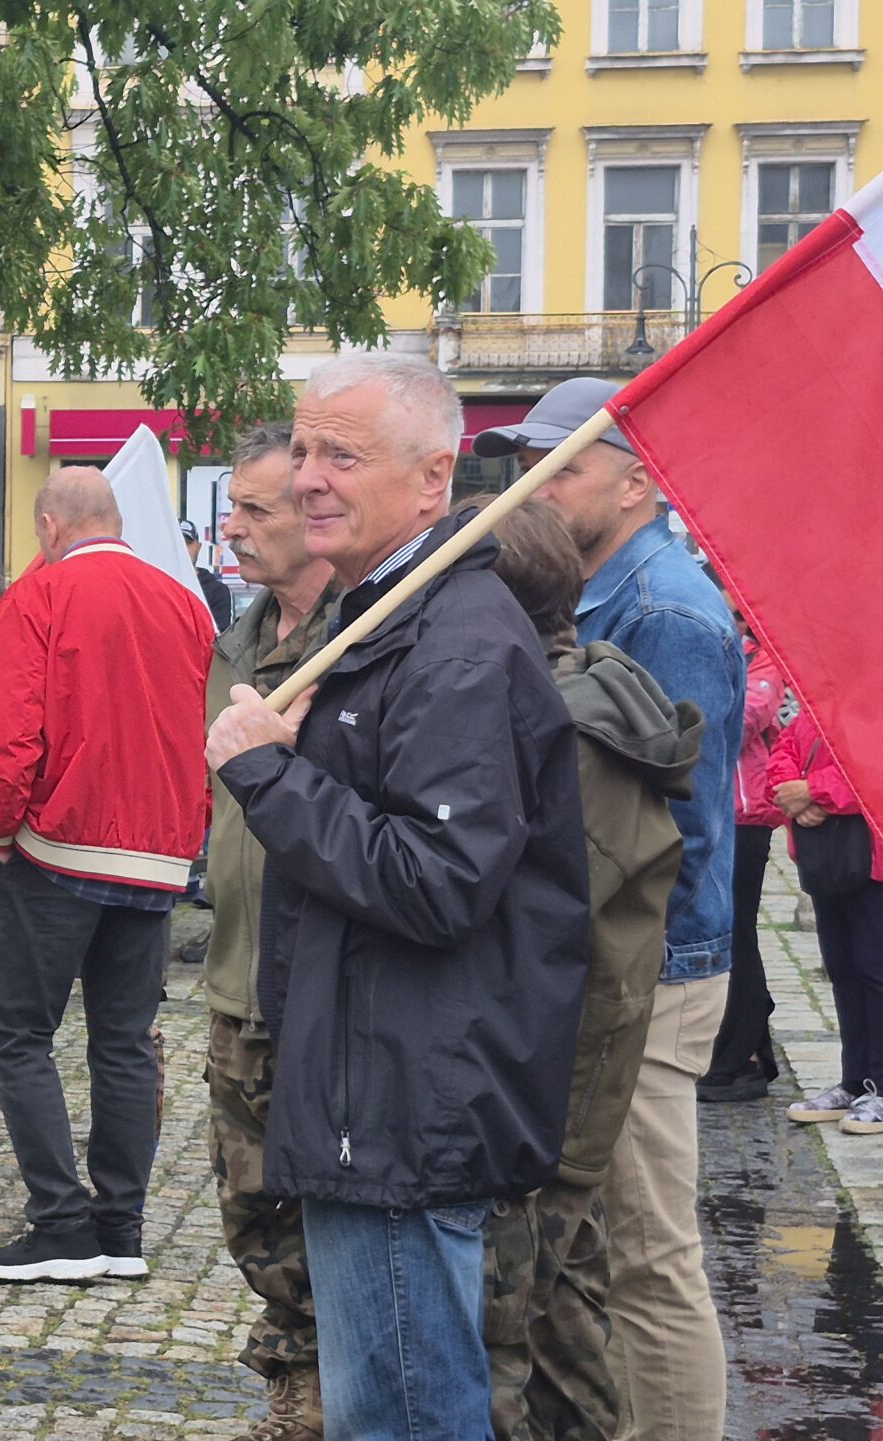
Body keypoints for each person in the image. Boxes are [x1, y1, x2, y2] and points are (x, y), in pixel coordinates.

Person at [208, 353, 588, 1441]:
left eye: (342, 454)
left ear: (432, 479)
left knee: (401, 1416)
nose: (308, 477)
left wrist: (267, 776)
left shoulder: (455, 639)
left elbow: (438, 878)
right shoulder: (387, 615)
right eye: (303, 449)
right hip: (368, 1087)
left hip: (402, 1104)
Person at [478, 377, 744, 1441]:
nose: (532, 486)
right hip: (615, 960)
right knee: (601, 1247)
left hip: (649, 968)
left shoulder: (665, 609)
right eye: (525, 465)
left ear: (636, 484)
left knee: (646, 1253)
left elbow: (678, 828)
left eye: (561, 467)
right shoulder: (609, 591)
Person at [0, 466, 215, 1283]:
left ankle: (61, 1220)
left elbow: (11, 735)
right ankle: (120, 1228)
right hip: (157, 848)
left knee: (16, 1030)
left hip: (61, 842)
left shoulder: (38, 596)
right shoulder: (184, 603)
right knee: (124, 1040)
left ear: (50, 527)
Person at [198, 422, 336, 1440]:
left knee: (328, 1204)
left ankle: (328, 1392)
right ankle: (297, 1377)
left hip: (323, 978)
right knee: (249, 1206)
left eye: (253, 509)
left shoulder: (362, 634)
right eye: (230, 507)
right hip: (237, 969)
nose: (232, 528)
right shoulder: (237, 637)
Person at [771, 714, 883, 1135]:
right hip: (830, 856)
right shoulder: (821, 705)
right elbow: (784, 751)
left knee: (876, 971)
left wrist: (813, 791)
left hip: (874, 859)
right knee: (843, 970)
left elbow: (873, 769)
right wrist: (795, 795)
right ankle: (856, 1081)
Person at [702, 614, 788, 1101]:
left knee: (737, 930)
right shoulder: (726, 654)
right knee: (722, 927)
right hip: (712, 807)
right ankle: (746, 1043)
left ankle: (743, 1050)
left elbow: (745, 719)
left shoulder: (766, 661)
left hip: (745, 815)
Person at [181, 517, 236, 631]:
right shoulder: (154, 585)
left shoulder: (217, 591)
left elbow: (221, 635)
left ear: (198, 547)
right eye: (176, 543)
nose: (181, 548)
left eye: (187, 543)